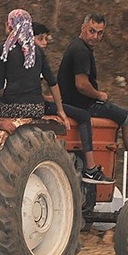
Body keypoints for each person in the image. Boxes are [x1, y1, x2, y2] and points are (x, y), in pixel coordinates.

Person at [58, 13, 128, 180]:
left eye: (99, 33)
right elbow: (81, 84)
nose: (95, 36)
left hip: (71, 100)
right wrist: (99, 95)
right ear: (83, 28)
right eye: (92, 31)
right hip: (82, 103)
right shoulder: (81, 51)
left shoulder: (76, 47)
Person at [35, 22, 112, 184]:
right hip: (34, 105)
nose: (45, 43)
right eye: (40, 39)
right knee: (83, 116)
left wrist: (46, 98)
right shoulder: (37, 56)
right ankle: (90, 168)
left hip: (25, 102)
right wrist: (59, 107)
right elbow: (52, 83)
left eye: (46, 39)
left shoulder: (11, 52)